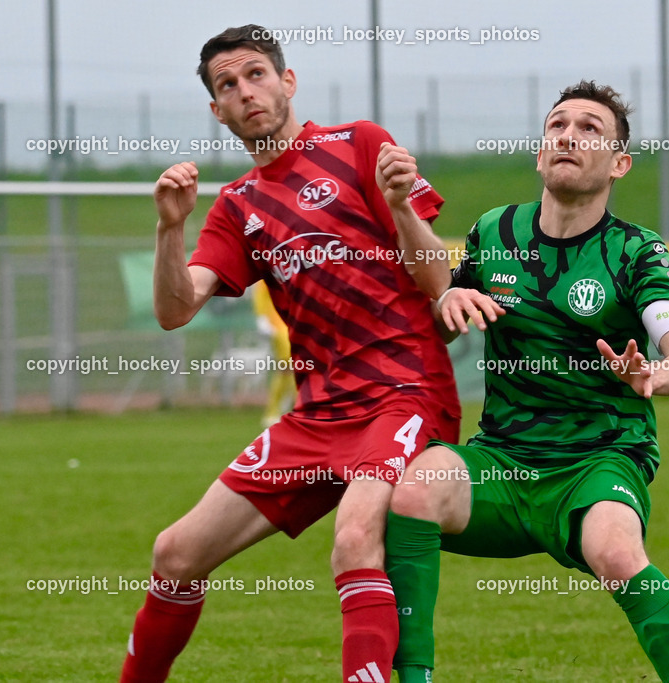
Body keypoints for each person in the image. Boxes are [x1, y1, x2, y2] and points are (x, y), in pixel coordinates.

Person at [119, 25, 460, 683]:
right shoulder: (238, 206)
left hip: (405, 393)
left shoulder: (360, 142)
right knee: (176, 551)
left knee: (356, 538)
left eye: (256, 75)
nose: (246, 92)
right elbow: (173, 309)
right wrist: (170, 228)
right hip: (320, 415)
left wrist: (401, 209)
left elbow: (439, 282)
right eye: (228, 85)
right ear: (216, 111)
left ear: (288, 81)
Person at [384, 80, 669, 682]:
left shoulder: (636, 251)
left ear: (619, 164)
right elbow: (443, 324)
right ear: (541, 153)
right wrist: (449, 299)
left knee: (617, 552)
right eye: (558, 125)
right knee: (411, 490)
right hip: (503, 460)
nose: (569, 134)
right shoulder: (494, 231)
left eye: (590, 127)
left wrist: (653, 375)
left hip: (598, 460)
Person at [251, 280, 296, 427]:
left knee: (298, 366)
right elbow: (260, 292)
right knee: (289, 366)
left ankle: (291, 406)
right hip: (278, 324)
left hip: (297, 321)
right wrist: (261, 317)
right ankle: (273, 411)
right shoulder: (272, 265)